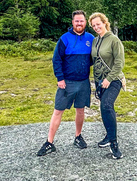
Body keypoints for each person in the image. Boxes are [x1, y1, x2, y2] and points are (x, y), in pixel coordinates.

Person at [36, 10, 94, 157]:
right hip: (66, 82)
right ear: (72, 22)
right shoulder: (65, 39)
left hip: (83, 82)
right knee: (58, 111)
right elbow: (56, 60)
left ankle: (78, 137)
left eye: (81, 21)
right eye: (77, 21)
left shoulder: (91, 38)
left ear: (85, 22)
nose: (79, 23)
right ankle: (49, 142)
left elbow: (94, 58)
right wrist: (60, 78)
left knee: (80, 110)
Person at [89, 12, 125, 160]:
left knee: (106, 105)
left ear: (105, 23)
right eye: (93, 25)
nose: (96, 27)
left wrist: (109, 79)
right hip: (99, 81)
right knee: (104, 108)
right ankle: (108, 135)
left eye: (98, 24)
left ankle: (114, 143)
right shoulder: (95, 41)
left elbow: (119, 62)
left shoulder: (114, 40)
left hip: (114, 79)